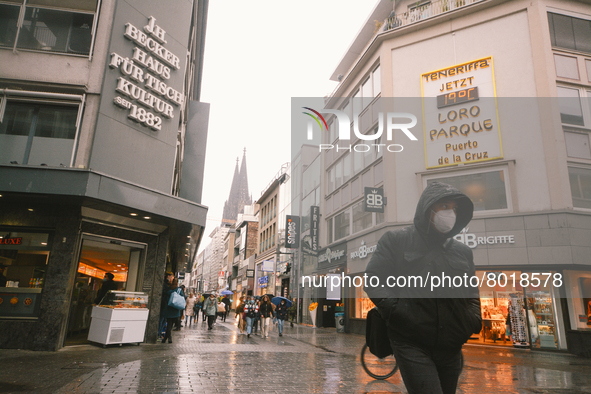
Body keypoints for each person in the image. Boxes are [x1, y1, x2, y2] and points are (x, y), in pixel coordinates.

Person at [365, 182, 482, 394]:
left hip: (451, 344)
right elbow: (374, 280)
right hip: (411, 341)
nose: (450, 213)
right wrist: (398, 312)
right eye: (444, 206)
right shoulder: (396, 240)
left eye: (455, 209)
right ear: (428, 209)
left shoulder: (462, 251)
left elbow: (471, 291)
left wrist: (472, 319)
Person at [161, 272, 181, 343]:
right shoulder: (179, 290)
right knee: (171, 324)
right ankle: (169, 338)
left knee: (169, 324)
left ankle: (166, 338)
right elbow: (182, 298)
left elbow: (166, 298)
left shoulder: (169, 290)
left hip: (169, 308)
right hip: (176, 309)